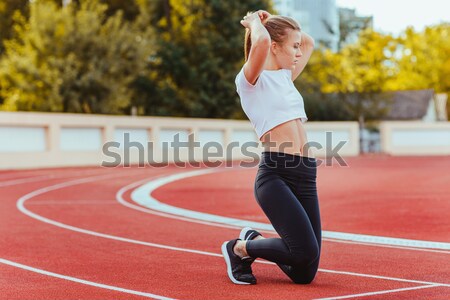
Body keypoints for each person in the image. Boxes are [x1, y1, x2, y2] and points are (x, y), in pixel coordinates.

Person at [221, 10, 321, 285]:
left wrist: (274, 19)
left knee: (305, 272)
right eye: (294, 46)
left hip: (306, 174)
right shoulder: (250, 82)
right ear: (275, 47)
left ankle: (252, 239)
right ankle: (240, 248)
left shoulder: (285, 78)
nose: (300, 52)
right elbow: (262, 44)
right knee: (305, 251)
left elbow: (310, 41)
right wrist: (254, 21)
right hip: (276, 174)